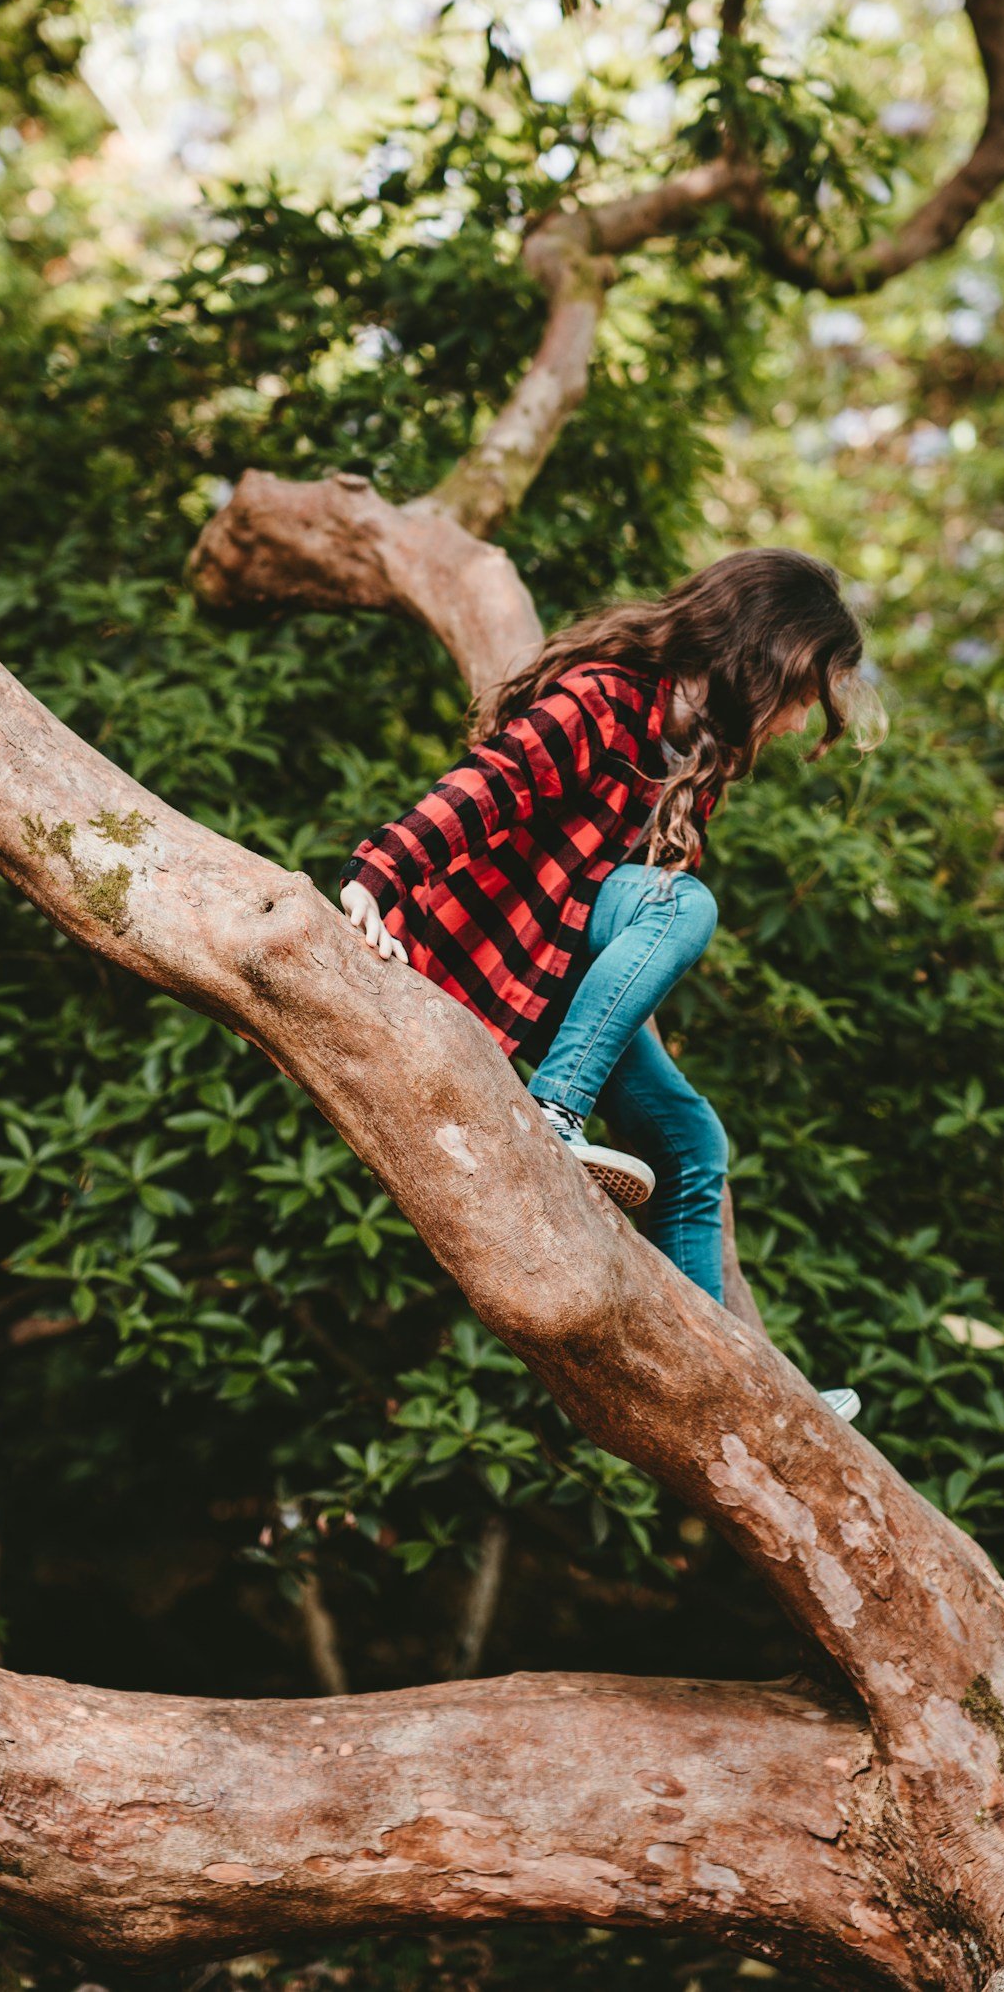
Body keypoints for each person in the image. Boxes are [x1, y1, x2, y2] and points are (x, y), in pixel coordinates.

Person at [338, 548, 884, 1417]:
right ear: (762, 658)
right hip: (499, 947)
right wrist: (377, 876)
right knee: (683, 907)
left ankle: (729, 1384)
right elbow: (488, 787)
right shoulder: (605, 696)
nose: (793, 725)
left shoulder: (698, 757)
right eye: (801, 698)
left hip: (566, 969)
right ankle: (554, 1111)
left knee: (689, 1144)